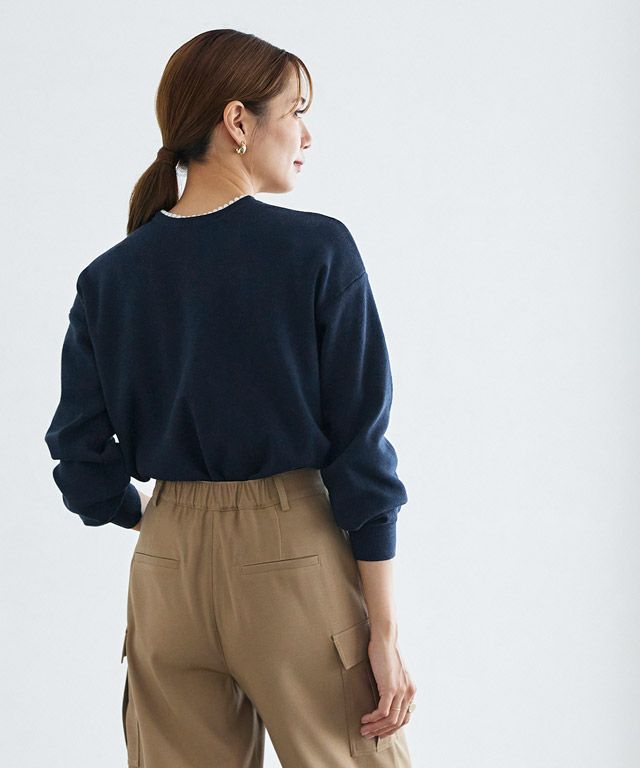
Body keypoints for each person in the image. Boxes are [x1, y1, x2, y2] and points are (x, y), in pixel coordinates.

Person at [44, 28, 416, 768]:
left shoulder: (109, 278)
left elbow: (79, 454)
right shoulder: (317, 251)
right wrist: (384, 631)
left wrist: (153, 519)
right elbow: (360, 448)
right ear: (238, 121)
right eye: (296, 111)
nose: (306, 134)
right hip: (291, 561)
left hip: (164, 571)